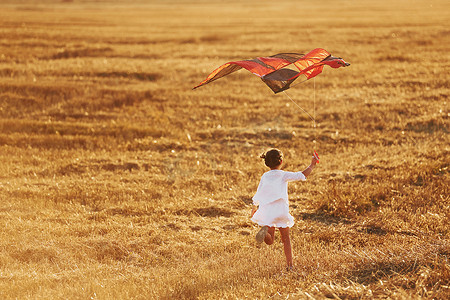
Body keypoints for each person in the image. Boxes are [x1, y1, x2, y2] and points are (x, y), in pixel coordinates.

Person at [250, 148, 318, 270]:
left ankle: (265, 234)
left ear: (266, 163)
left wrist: (254, 207)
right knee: (286, 239)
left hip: (268, 211)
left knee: (270, 241)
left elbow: (259, 192)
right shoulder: (283, 175)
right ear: (281, 161)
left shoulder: (265, 176)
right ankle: (290, 266)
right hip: (280, 210)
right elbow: (302, 175)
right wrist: (312, 164)